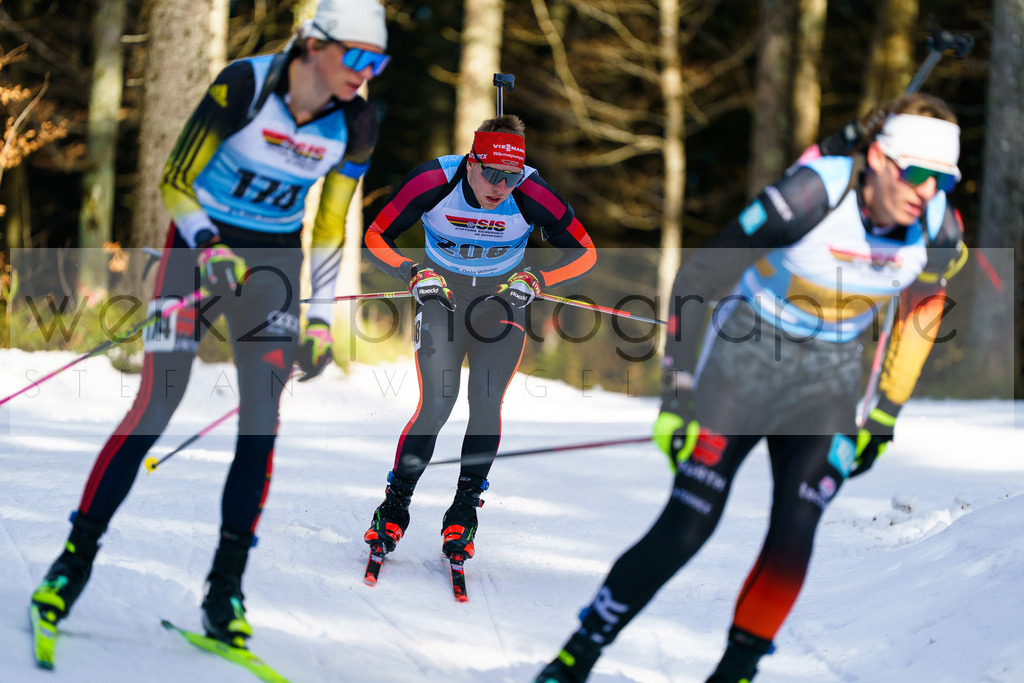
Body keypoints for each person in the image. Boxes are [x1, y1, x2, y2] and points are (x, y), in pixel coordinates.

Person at [537, 92, 968, 682]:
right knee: (690, 523)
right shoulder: (812, 195)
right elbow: (700, 275)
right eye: (918, 174)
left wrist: (885, 414)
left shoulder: (940, 228)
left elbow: (923, 313)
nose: (927, 192)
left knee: (796, 529)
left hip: (829, 381)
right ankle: (577, 654)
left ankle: (735, 674)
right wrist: (678, 391)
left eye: (944, 180)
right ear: (879, 160)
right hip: (743, 359)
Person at [30, 0, 388, 648]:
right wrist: (207, 244)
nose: (366, 73)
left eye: (378, 61)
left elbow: (332, 223)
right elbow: (174, 179)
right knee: (156, 405)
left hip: (276, 261)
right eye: (357, 56)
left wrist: (317, 319)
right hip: (196, 247)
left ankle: (225, 590)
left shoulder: (358, 120)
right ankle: (70, 564)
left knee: (260, 422)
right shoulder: (245, 86)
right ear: (314, 44)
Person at [361, 114, 597, 569]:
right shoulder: (433, 179)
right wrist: (412, 271)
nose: (500, 187)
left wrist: (538, 277)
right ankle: (394, 507)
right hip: (442, 298)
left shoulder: (531, 192)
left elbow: (585, 252)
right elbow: (376, 235)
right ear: (471, 162)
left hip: (502, 303)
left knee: (486, 401)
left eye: (510, 177)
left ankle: (464, 511)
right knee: (437, 402)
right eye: (491, 173)